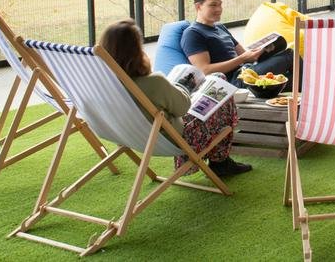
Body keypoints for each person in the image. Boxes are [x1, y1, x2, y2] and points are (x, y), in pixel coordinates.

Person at [99, 19, 252, 177]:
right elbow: (183, 107)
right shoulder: (153, 82)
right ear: (135, 50)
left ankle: (220, 162)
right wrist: (183, 88)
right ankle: (221, 162)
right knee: (219, 81)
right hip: (174, 139)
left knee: (212, 82)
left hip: (127, 134)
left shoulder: (103, 84)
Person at [180, 0, 295, 90]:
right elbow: (204, 70)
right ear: (198, 7)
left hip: (248, 69)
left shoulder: (220, 27)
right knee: (290, 55)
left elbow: (244, 54)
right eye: (213, 5)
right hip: (235, 81)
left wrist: (261, 50)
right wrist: (243, 59)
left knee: (292, 77)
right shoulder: (192, 33)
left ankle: (304, 105)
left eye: (220, 4)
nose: (219, 9)